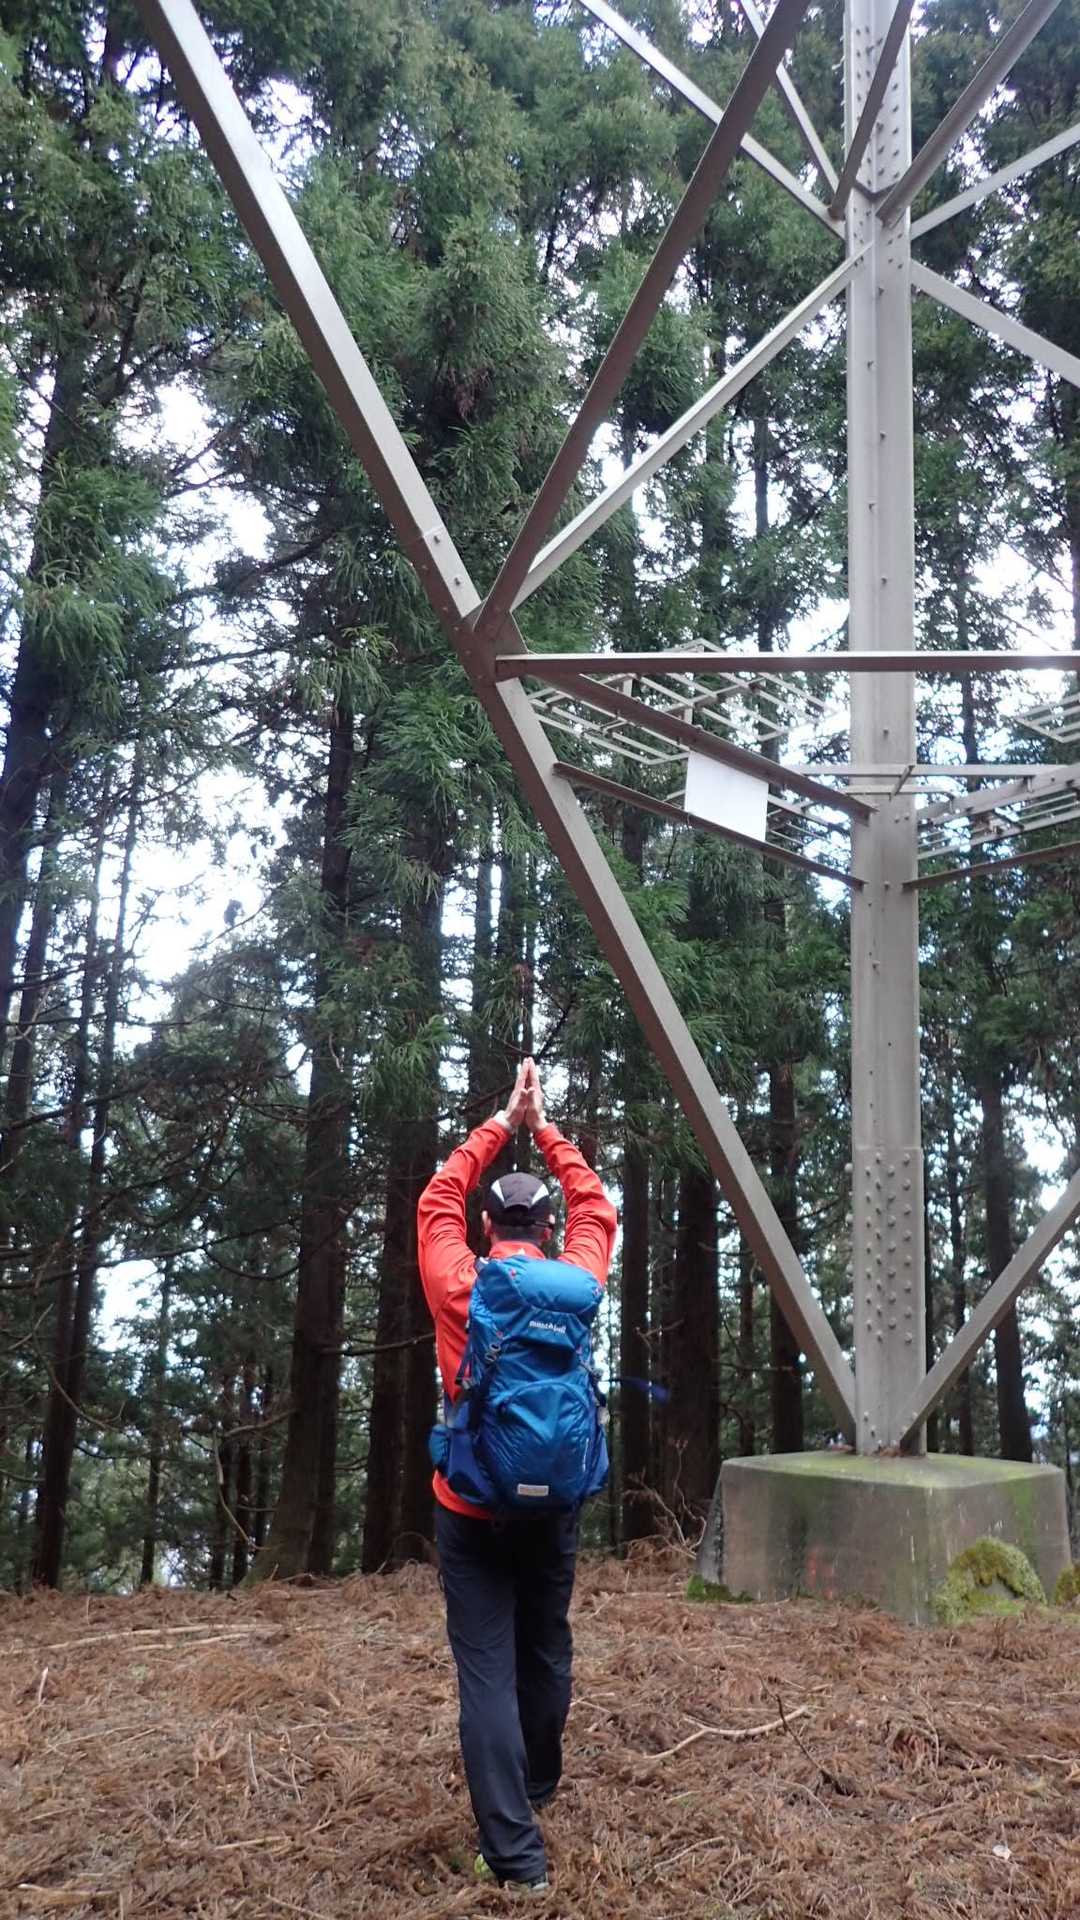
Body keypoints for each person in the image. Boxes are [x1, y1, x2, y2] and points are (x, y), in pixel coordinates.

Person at [417, 1058, 617, 1894]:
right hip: (554, 1504)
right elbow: (598, 1207)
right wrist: (548, 1129)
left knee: (486, 1674)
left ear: (488, 1223)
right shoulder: (580, 1281)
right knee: (546, 1646)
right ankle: (538, 1785)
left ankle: (516, 1859)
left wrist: (503, 1122)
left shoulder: (458, 1282)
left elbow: (436, 1197)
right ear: (549, 1227)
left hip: (469, 1505)